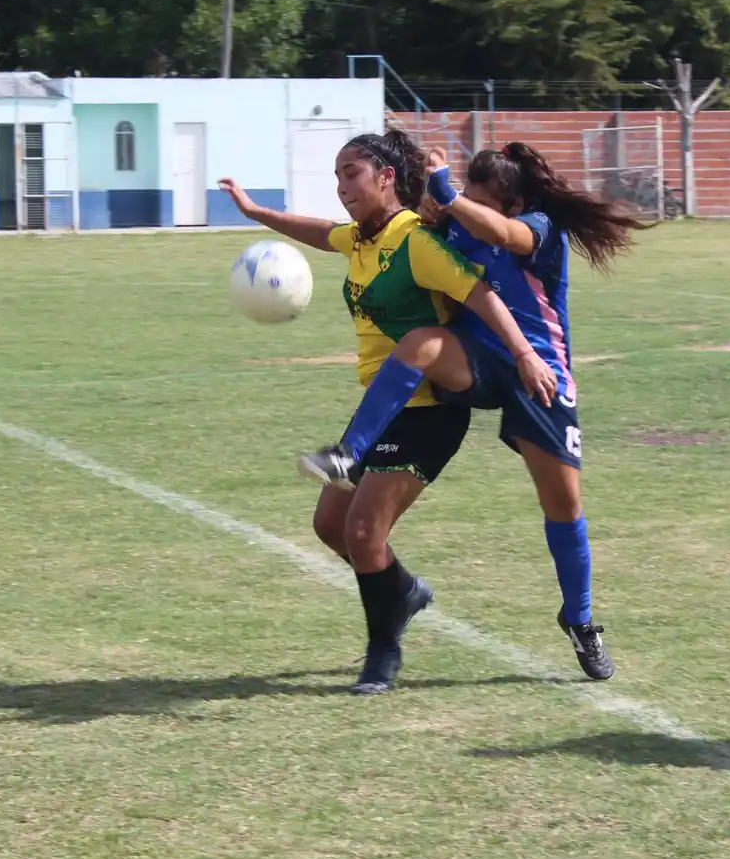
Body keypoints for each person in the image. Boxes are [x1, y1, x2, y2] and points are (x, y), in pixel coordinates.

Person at [297, 142, 647, 681]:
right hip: (478, 362)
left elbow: (504, 235)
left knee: (563, 502)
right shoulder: (452, 226)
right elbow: (404, 225)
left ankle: (579, 619)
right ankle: (350, 454)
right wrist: (433, 197)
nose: (470, 208)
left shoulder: (539, 228)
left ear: (512, 203)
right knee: (420, 342)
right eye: (468, 196)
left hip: (537, 372)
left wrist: (451, 198)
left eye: (484, 201)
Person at [218, 129, 549, 695]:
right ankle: (402, 592)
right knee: (330, 527)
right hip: (380, 406)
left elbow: (480, 296)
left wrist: (524, 354)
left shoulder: (416, 240)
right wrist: (254, 210)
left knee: (365, 530)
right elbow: (321, 234)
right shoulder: (361, 239)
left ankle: (383, 650)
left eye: (353, 173)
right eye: (338, 175)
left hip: (428, 413)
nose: (343, 186)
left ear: (386, 177)